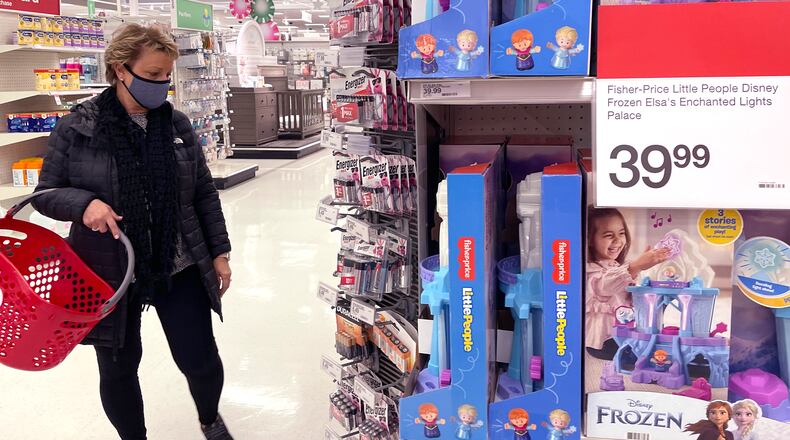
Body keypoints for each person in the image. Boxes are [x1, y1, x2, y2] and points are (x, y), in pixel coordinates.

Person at [33, 23, 233, 440]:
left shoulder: (176, 125)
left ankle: (210, 418)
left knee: (200, 357)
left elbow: (202, 193)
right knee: (119, 366)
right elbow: (46, 193)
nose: (163, 85)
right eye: (154, 74)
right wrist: (83, 203)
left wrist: (219, 251)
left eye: (167, 76)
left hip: (176, 263)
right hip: (108, 272)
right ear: (121, 69)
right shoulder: (80, 127)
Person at [586, 207, 670, 360]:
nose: (618, 241)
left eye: (622, 233)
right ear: (590, 239)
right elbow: (605, 285)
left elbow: (625, 289)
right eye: (608, 235)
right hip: (605, 341)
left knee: (660, 342)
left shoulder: (616, 267)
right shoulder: (590, 270)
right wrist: (636, 265)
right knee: (656, 354)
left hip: (625, 333)